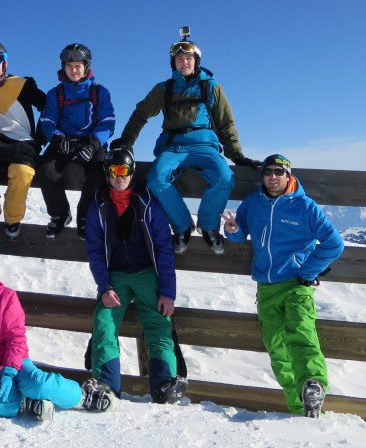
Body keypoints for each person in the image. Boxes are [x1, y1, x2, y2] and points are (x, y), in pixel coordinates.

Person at [110, 27, 260, 255]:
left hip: (204, 146)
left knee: (224, 177)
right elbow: (141, 113)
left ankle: (209, 227)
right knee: (156, 179)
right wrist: (127, 141)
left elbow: (226, 123)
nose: (184, 63)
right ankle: (182, 226)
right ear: (174, 63)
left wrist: (236, 155)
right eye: (179, 59)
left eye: (188, 59)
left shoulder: (211, 86)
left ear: (196, 61)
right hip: (173, 146)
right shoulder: (164, 89)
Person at [222, 154, 344, 418]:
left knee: (302, 336)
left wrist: (308, 271)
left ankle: (313, 384)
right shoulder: (253, 202)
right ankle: (299, 408)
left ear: (288, 175)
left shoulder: (305, 206)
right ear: (263, 175)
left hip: (297, 285)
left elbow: (335, 244)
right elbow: (240, 231)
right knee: (277, 349)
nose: (273, 177)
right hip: (266, 287)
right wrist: (232, 229)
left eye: (279, 172)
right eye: (268, 172)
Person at [0, 245, 105, 420]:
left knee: (38, 384)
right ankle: (26, 404)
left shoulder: (6, 297)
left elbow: (16, 338)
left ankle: (83, 396)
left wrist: (9, 372)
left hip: (16, 367)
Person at [83, 148, 186, 409]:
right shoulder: (99, 205)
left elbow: (163, 248)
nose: (120, 176)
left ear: (132, 172)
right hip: (116, 276)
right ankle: (106, 386)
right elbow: (95, 250)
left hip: (146, 274)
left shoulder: (148, 203)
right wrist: (104, 286)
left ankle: (164, 384)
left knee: (158, 322)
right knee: (104, 323)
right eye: (115, 171)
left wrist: (168, 293)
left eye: (125, 170)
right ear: (107, 174)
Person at [39, 43, 115, 240]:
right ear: (63, 67)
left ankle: (85, 217)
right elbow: (47, 121)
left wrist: (93, 145)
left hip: (91, 141)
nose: (73, 70)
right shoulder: (55, 93)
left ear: (86, 67)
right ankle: (60, 214)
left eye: (78, 66)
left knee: (99, 173)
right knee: (47, 171)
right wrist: (57, 139)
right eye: (69, 66)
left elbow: (107, 122)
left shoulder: (100, 92)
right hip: (65, 141)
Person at [0, 40, 47, 239]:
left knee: (22, 171)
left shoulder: (21, 85)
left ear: (5, 62)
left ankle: (13, 218)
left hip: (22, 142)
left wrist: (40, 137)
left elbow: (47, 107)